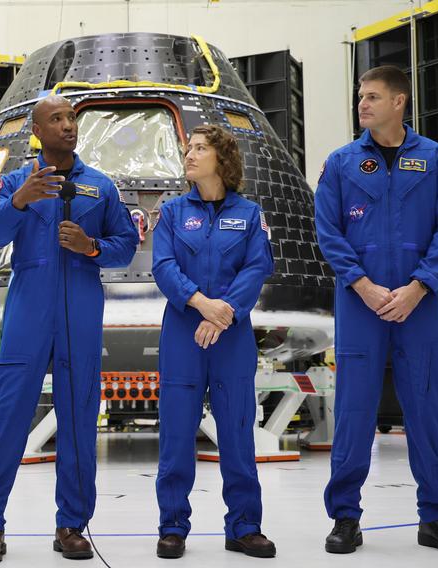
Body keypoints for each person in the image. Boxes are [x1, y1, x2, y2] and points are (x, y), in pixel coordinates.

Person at [0, 95, 138, 563]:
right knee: (7, 419)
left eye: (71, 118)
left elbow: (125, 245)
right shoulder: (16, 181)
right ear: (37, 131)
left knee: (81, 419)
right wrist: (19, 202)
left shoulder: (100, 187)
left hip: (81, 310)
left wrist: (91, 247)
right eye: (56, 119)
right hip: (28, 309)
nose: (67, 126)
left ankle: (71, 525)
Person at [315, 65, 438, 556]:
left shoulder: (434, 159)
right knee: (353, 413)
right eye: (360, 97)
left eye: (372, 97)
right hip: (360, 304)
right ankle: (345, 518)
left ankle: (436, 519)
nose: (362, 105)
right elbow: (328, 231)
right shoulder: (341, 163)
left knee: (427, 411)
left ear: (399, 101)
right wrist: (362, 285)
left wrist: (419, 286)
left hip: (419, 305)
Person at [151, 124, 275, 559]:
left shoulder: (250, 214)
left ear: (222, 159)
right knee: (177, 435)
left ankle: (244, 525)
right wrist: (203, 304)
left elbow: (256, 268)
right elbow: (164, 266)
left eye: (199, 148)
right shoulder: (170, 213)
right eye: (188, 148)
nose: (189, 155)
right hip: (184, 332)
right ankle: (172, 526)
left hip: (232, 336)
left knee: (238, 433)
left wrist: (225, 314)